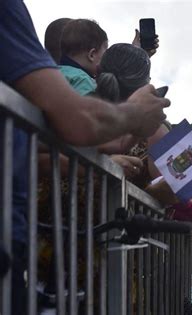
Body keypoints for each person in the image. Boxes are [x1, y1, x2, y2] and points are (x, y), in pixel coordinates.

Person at [0, 1, 169, 312]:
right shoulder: (77, 88)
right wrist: (135, 116)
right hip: (63, 249)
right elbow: (78, 122)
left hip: (41, 245)